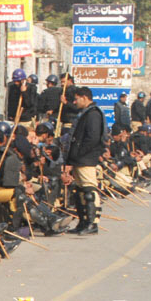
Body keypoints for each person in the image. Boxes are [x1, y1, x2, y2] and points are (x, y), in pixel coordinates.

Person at [61, 86, 106, 235]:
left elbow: (92, 138)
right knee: (79, 191)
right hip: (79, 159)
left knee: (89, 191)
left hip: (86, 158)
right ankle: (83, 221)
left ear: (84, 97)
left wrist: (79, 154)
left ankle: (92, 223)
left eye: (76, 99)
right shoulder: (85, 114)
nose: (75, 102)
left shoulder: (93, 114)